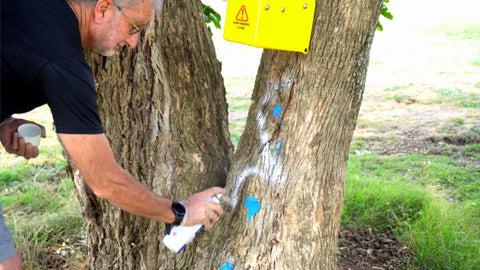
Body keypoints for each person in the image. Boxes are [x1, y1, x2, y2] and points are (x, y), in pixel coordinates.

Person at [0, 0, 224, 268]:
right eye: (134, 27)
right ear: (104, 8)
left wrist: (4, 121)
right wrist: (180, 213)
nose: (133, 42)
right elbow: (104, 181)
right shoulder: (61, 62)